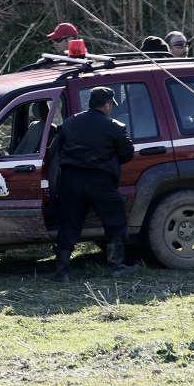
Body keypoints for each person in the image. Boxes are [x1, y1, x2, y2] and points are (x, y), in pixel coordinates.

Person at [51, 86, 135, 283]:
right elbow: (127, 154)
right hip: (100, 183)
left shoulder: (70, 123)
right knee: (115, 223)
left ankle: (62, 273)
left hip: (71, 181)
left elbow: (59, 149)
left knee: (68, 225)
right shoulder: (115, 127)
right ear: (106, 106)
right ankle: (117, 266)